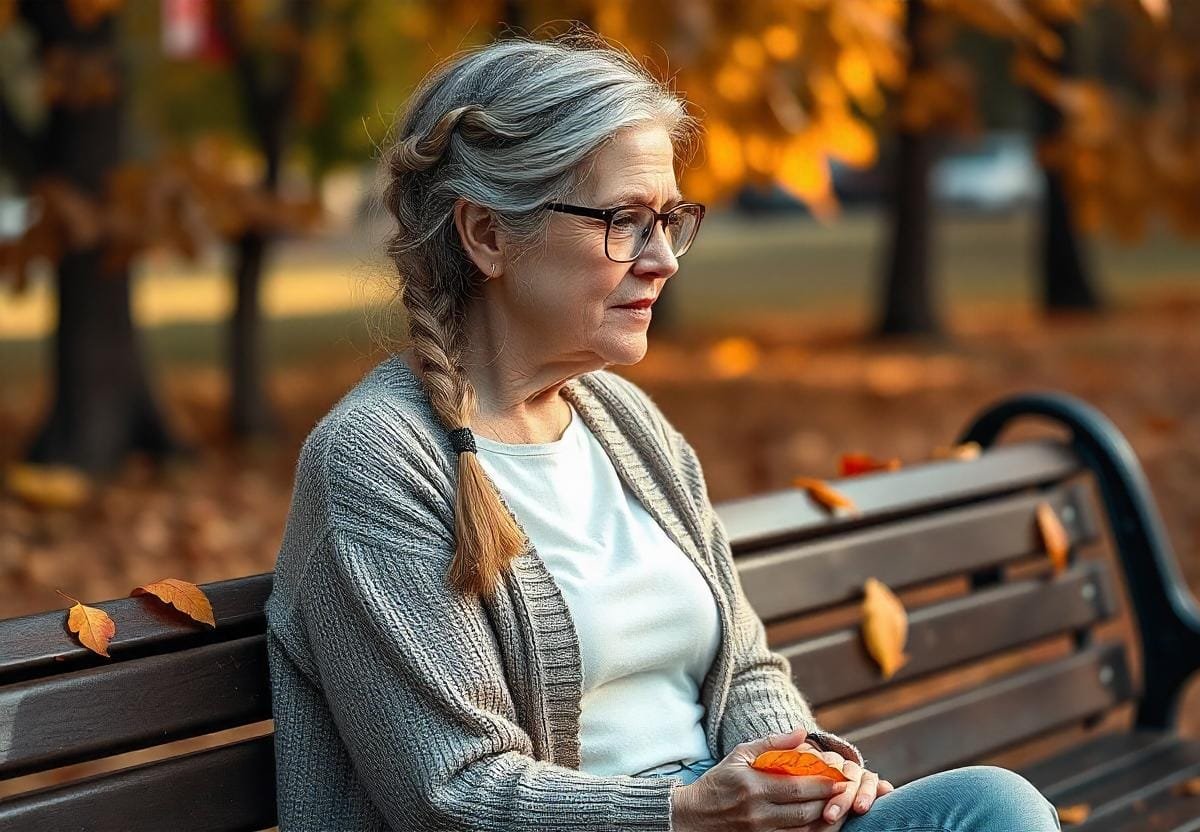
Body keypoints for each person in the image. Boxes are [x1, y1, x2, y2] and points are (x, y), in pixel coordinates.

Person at [265, 30, 1063, 832]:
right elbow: (454, 794)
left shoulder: (625, 422)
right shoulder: (378, 461)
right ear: (487, 235)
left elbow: (743, 666)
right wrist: (686, 812)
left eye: (669, 220)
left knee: (994, 806)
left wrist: (796, 775)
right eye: (624, 221)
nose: (663, 260)